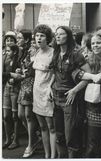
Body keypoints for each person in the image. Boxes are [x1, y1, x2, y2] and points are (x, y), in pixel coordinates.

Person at [50, 26, 91, 158]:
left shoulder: (75, 54)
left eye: (61, 34)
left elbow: (89, 75)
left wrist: (74, 90)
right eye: (56, 34)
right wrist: (49, 88)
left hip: (70, 99)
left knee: (71, 136)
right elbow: (54, 74)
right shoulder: (56, 53)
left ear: (68, 36)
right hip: (55, 98)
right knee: (59, 135)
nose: (58, 36)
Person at [12, 29, 41, 158]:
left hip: (31, 83)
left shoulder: (33, 50)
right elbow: (22, 67)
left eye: (19, 38)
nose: (17, 40)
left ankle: (31, 144)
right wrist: (19, 69)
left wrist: (23, 73)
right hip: (23, 84)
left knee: (28, 116)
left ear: (27, 39)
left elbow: (33, 69)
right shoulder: (22, 51)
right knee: (20, 115)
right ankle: (34, 136)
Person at [32, 24, 56, 158]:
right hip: (37, 92)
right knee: (42, 127)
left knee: (51, 127)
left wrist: (50, 89)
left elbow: (54, 74)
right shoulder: (36, 52)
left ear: (48, 38)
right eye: (37, 35)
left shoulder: (53, 52)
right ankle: (47, 155)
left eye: (42, 36)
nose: (39, 38)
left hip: (48, 93)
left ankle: (53, 156)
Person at [2, 43, 21, 150]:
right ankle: (8, 139)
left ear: (14, 52)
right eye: (6, 50)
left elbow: (21, 74)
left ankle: (15, 140)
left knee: (15, 116)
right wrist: (9, 75)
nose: (7, 52)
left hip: (15, 89)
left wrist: (16, 77)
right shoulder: (4, 60)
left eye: (9, 51)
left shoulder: (18, 61)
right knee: (5, 116)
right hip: (6, 88)